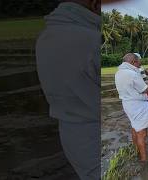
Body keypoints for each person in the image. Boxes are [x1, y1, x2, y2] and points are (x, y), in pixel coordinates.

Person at [36, 0, 102, 179]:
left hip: (70, 132)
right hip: (95, 131)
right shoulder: (92, 40)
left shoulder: (46, 37)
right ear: (95, 5)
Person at [115, 53, 148, 163]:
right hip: (137, 105)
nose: (140, 64)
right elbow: (144, 89)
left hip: (127, 104)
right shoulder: (132, 73)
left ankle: (137, 150)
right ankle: (144, 159)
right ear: (133, 62)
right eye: (138, 62)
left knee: (134, 127)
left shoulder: (119, 72)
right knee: (141, 133)